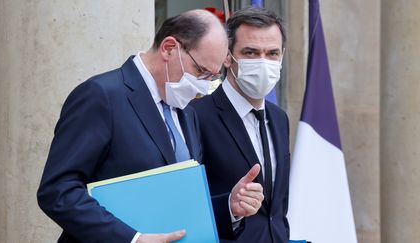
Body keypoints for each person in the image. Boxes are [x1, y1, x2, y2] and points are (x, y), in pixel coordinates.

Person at [37, 9, 265, 243]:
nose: (202, 87)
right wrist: (132, 240)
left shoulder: (187, 113)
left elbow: (180, 203)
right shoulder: (101, 96)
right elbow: (58, 191)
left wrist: (230, 206)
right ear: (168, 48)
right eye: (200, 71)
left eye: (212, 77)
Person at [190, 7, 290, 243]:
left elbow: (277, 209)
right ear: (227, 56)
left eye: (272, 53)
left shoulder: (278, 118)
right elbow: (183, 205)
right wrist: (230, 207)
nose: (263, 62)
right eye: (251, 52)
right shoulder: (195, 115)